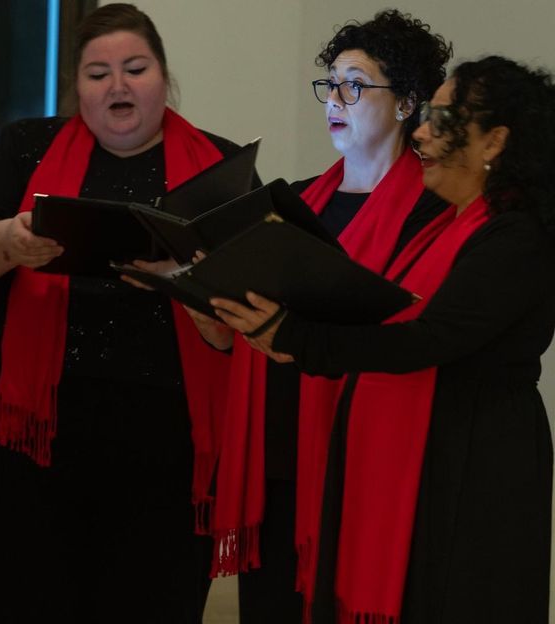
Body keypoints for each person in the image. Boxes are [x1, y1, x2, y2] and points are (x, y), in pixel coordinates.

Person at [131, 11, 452, 623]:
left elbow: (414, 333)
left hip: (363, 459)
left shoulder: (432, 211)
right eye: (329, 84)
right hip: (278, 455)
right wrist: (210, 315)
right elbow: (256, 331)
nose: (334, 100)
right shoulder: (298, 200)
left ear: (408, 101)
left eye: (354, 85)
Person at [212, 55, 555, 623]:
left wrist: (296, 336)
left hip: (476, 464)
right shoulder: (456, 223)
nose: (420, 130)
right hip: (438, 449)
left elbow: (425, 339)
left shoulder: (516, 237)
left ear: (493, 142)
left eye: (440, 117)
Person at [0, 4, 248, 621]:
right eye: (97, 73)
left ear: (163, 76)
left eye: (135, 68)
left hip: (165, 434)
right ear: (76, 87)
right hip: (32, 431)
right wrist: (9, 241)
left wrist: (185, 282)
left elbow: (240, 311)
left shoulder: (220, 163)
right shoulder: (27, 146)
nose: (118, 86)